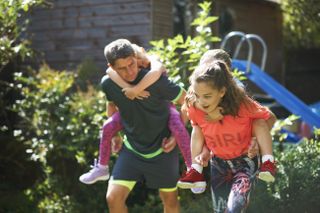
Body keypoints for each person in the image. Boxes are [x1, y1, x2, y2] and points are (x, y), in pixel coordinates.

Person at [79, 44, 191, 184]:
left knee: (179, 128)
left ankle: (193, 170)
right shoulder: (115, 76)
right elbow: (109, 72)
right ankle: (102, 167)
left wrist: (137, 89)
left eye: (134, 63)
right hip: (132, 114)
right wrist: (129, 88)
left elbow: (156, 72)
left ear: (138, 58)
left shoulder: (153, 63)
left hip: (165, 109)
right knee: (108, 126)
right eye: (123, 67)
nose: (132, 70)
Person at [101, 39, 186, 213]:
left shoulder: (157, 81)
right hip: (132, 150)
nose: (129, 71)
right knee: (113, 198)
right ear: (111, 67)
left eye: (131, 64)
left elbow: (187, 102)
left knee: (170, 201)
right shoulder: (109, 84)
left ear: (136, 57)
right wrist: (115, 135)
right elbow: (111, 105)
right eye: (122, 68)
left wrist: (175, 136)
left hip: (163, 150)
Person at [180, 60, 276, 212]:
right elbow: (202, 132)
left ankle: (269, 163)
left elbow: (270, 117)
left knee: (233, 210)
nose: (201, 101)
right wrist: (204, 153)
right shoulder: (195, 108)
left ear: (222, 91)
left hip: (245, 162)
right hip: (218, 164)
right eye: (198, 96)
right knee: (220, 210)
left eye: (207, 96)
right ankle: (195, 170)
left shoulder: (242, 106)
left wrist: (256, 141)